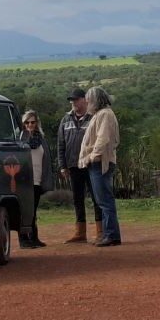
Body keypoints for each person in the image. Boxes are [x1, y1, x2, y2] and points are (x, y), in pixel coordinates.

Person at [56, 87, 102, 243]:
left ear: (84, 100)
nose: (73, 103)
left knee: (97, 197)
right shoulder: (65, 120)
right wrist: (63, 165)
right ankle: (80, 233)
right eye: (71, 100)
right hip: (73, 165)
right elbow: (61, 144)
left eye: (76, 99)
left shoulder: (93, 118)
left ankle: (100, 231)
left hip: (91, 164)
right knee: (77, 198)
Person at [77, 86, 121, 247]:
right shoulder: (100, 115)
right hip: (98, 161)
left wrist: (93, 157)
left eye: (89, 100)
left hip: (100, 162)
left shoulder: (105, 115)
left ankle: (111, 234)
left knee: (104, 200)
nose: (87, 103)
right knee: (102, 200)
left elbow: (103, 139)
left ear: (96, 100)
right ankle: (109, 234)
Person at [18, 110, 54, 248]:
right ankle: (23, 239)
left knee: (33, 210)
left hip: (38, 179)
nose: (30, 125)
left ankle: (34, 237)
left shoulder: (41, 140)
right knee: (25, 210)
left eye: (32, 122)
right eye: (27, 122)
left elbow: (46, 160)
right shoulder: (20, 139)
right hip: (25, 179)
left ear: (37, 123)